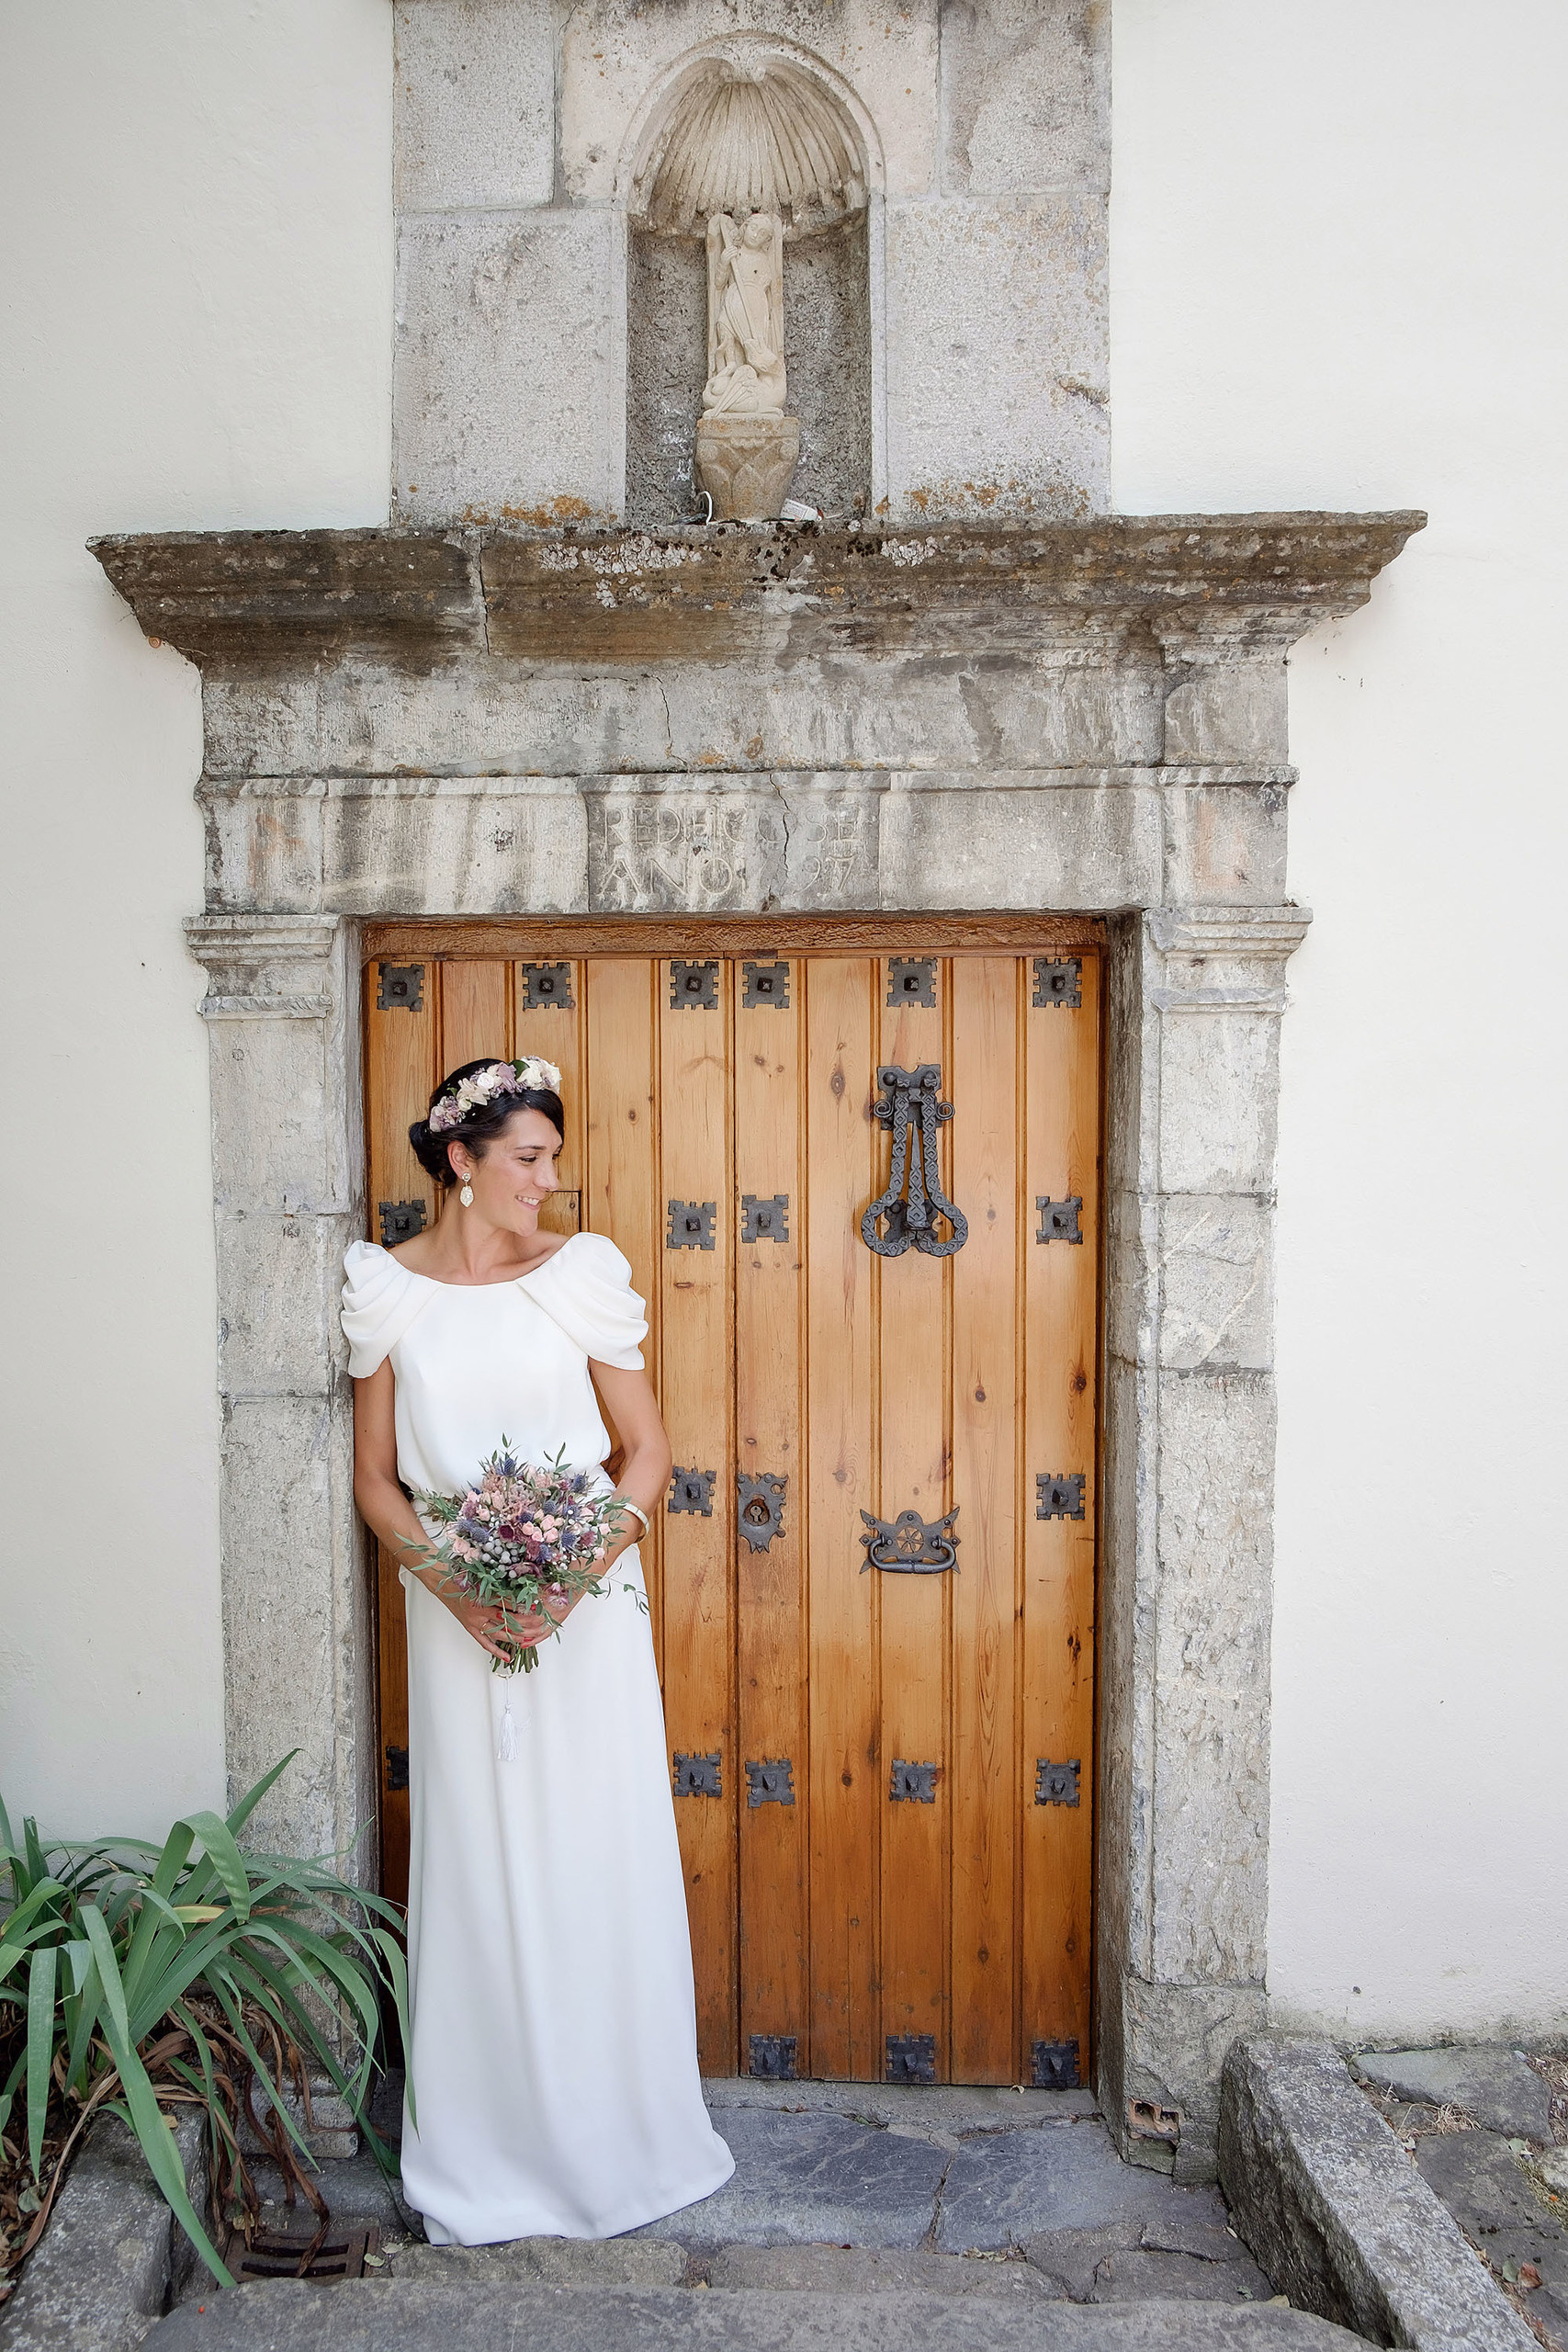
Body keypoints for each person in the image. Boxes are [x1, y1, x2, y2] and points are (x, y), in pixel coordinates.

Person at [342, 1054, 734, 2244]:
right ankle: (488, 2148)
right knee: (481, 1858)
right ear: (461, 1162)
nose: (548, 1180)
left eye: (552, 1158)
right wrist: (459, 1589)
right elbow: (376, 1480)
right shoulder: (388, 1293)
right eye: (527, 1158)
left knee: (590, 1844)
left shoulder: (582, 1276)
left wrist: (567, 1577)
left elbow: (646, 1455)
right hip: (453, 1609)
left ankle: (618, 2137)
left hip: (585, 1612)